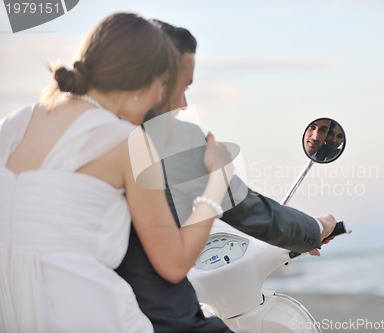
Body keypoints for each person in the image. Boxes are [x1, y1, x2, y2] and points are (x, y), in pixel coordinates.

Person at [0, 13, 234, 332]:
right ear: (144, 80)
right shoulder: (128, 141)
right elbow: (174, 263)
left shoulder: (13, 125)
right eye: (163, 85)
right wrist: (217, 182)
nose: (159, 100)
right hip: (86, 315)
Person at [116, 20, 339, 333]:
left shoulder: (96, 127)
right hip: (148, 310)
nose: (184, 103)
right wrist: (316, 227)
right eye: (181, 89)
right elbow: (245, 208)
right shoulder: (168, 136)